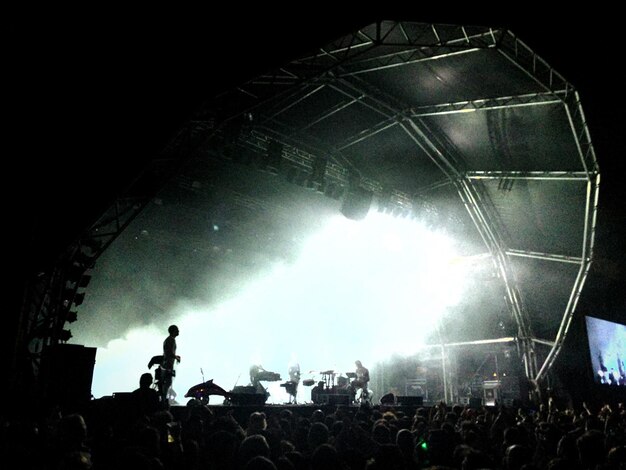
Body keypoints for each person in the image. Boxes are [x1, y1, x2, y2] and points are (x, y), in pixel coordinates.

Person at [157, 324, 181, 405]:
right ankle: (163, 400)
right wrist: (176, 358)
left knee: (167, 383)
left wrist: (175, 356)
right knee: (167, 383)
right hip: (167, 365)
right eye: (177, 330)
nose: (178, 331)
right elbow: (169, 352)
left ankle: (164, 399)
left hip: (167, 364)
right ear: (173, 331)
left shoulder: (168, 340)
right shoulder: (171, 340)